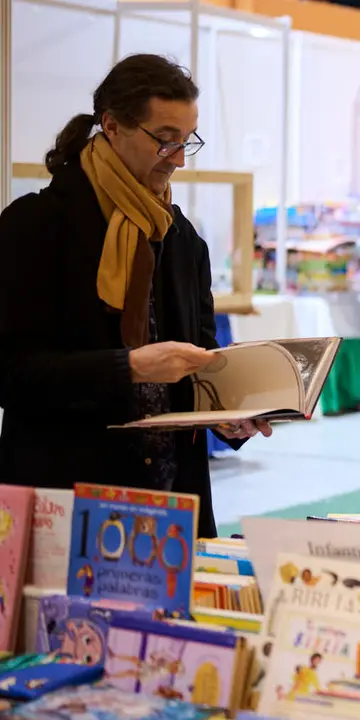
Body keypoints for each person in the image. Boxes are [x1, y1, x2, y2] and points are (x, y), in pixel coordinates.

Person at [0, 55, 271, 537]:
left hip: (172, 508)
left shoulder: (181, 238)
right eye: (165, 139)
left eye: (187, 141)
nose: (179, 158)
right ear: (111, 126)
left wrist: (228, 413)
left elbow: (197, 360)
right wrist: (128, 367)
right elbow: (11, 372)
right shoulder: (36, 226)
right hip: (68, 502)